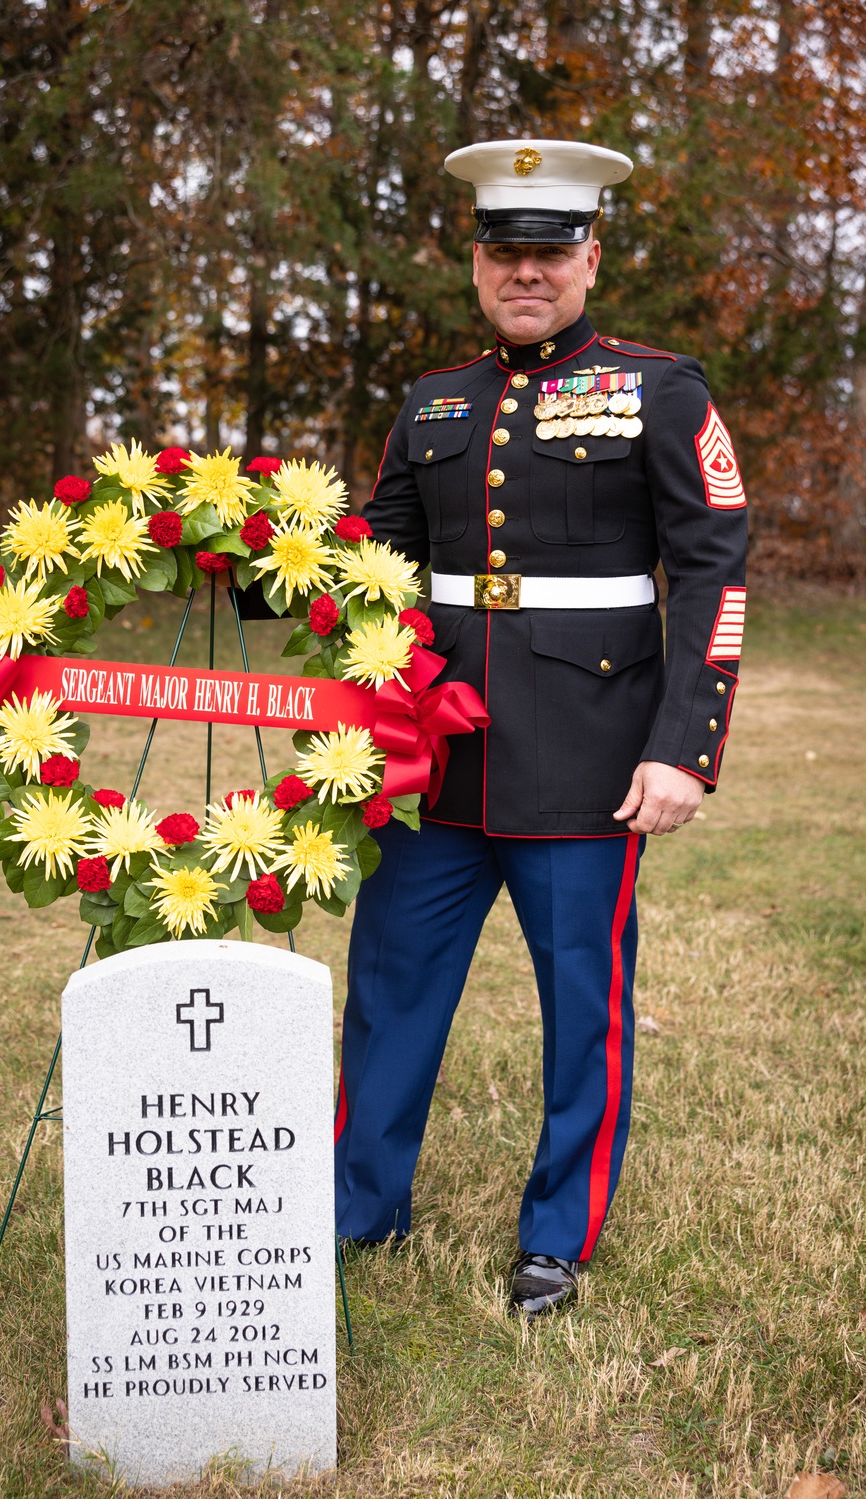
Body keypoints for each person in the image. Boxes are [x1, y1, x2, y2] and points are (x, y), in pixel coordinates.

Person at [333, 139, 748, 1317]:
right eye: (505, 251)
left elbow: (712, 568)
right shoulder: (434, 401)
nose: (528, 271)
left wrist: (685, 746)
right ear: (475, 263)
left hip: (591, 756)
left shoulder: (659, 387)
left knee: (583, 1012)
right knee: (389, 994)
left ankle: (554, 1236)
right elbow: (378, 555)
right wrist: (243, 550)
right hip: (436, 756)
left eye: (551, 251)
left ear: (590, 258)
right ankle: (359, 1210)